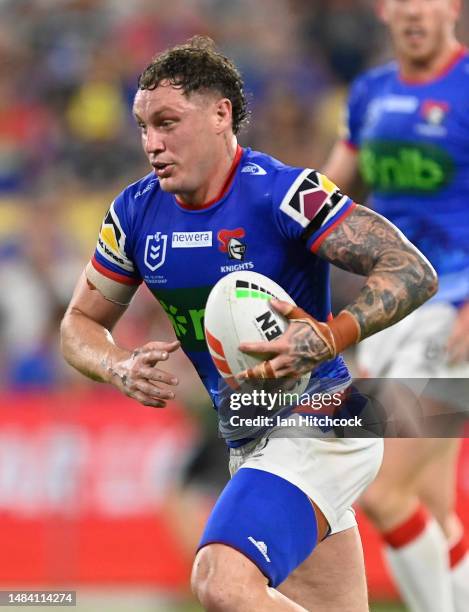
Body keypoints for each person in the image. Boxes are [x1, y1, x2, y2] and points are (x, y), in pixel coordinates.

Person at [60, 36, 437, 611]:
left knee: (221, 581)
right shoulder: (134, 214)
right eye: (142, 127)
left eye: (167, 123)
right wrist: (117, 365)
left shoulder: (284, 193)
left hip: (322, 423)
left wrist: (331, 334)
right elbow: (79, 324)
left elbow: (411, 269)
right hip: (249, 438)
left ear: (220, 115)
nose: (151, 144)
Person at [323, 1, 469, 611]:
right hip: (390, 312)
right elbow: (332, 194)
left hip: (453, 312)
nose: (414, 10)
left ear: (454, 6)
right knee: (433, 507)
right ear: (383, 10)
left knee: (382, 493)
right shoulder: (370, 93)